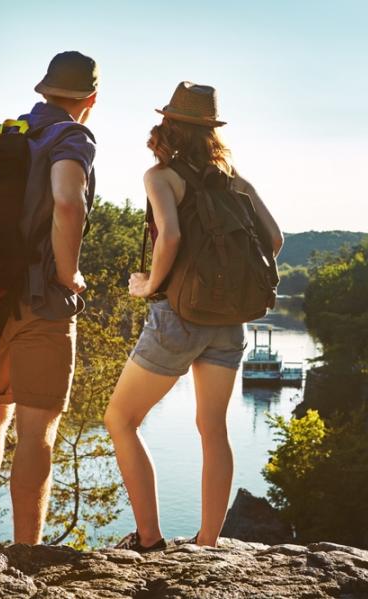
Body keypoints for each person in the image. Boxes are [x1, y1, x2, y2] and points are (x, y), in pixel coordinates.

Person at [104, 82, 283, 552]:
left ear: (168, 126)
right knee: (213, 429)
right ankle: (208, 542)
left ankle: (149, 539)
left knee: (120, 418)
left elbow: (171, 238)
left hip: (178, 318)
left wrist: (149, 284)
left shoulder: (160, 176)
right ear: (211, 132)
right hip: (229, 320)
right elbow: (276, 239)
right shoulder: (233, 178)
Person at [0, 51, 98, 557]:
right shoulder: (72, 136)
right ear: (91, 99)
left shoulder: (7, 133)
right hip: (43, 302)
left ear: (44, 91)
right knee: (38, 426)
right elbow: (67, 200)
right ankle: (27, 553)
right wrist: (69, 272)